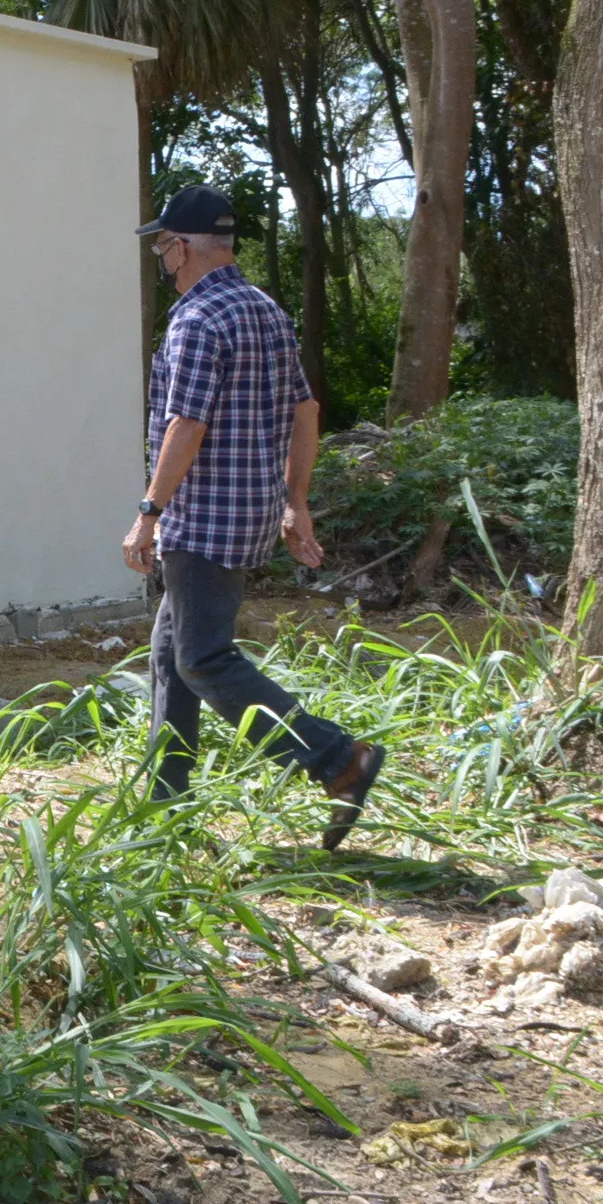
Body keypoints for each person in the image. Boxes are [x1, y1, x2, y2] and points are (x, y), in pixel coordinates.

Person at [122, 185, 384, 848]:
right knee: (169, 659)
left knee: (204, 661)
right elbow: (306, 412)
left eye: (162, 244)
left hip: (203, 519)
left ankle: (337, 760)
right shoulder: (265, 309)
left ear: (181, 247)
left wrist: (149, 512)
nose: (160, 256)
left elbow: (187, 425)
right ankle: (164, 811)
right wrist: (295, 503)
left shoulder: (196, 319)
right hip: (250, 513)